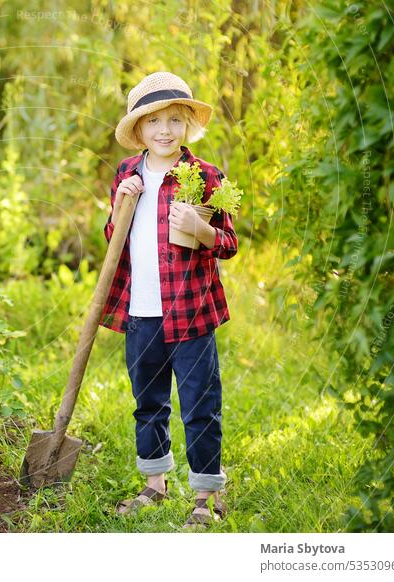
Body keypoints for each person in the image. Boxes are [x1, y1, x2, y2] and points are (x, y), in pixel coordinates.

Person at [102, 72, 238, 528]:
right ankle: (154, 484)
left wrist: (201, 230)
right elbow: (112, 239)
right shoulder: (127, 174)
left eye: (175, 120)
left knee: (200, 402)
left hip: (192, 314)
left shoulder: (204, 176)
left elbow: (228, 242)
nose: (165, 130)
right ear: (139, 129)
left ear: (188, 127)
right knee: (149, 401)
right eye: (154, 121)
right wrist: (121, 205)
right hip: (142, 314)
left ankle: (205, 493)